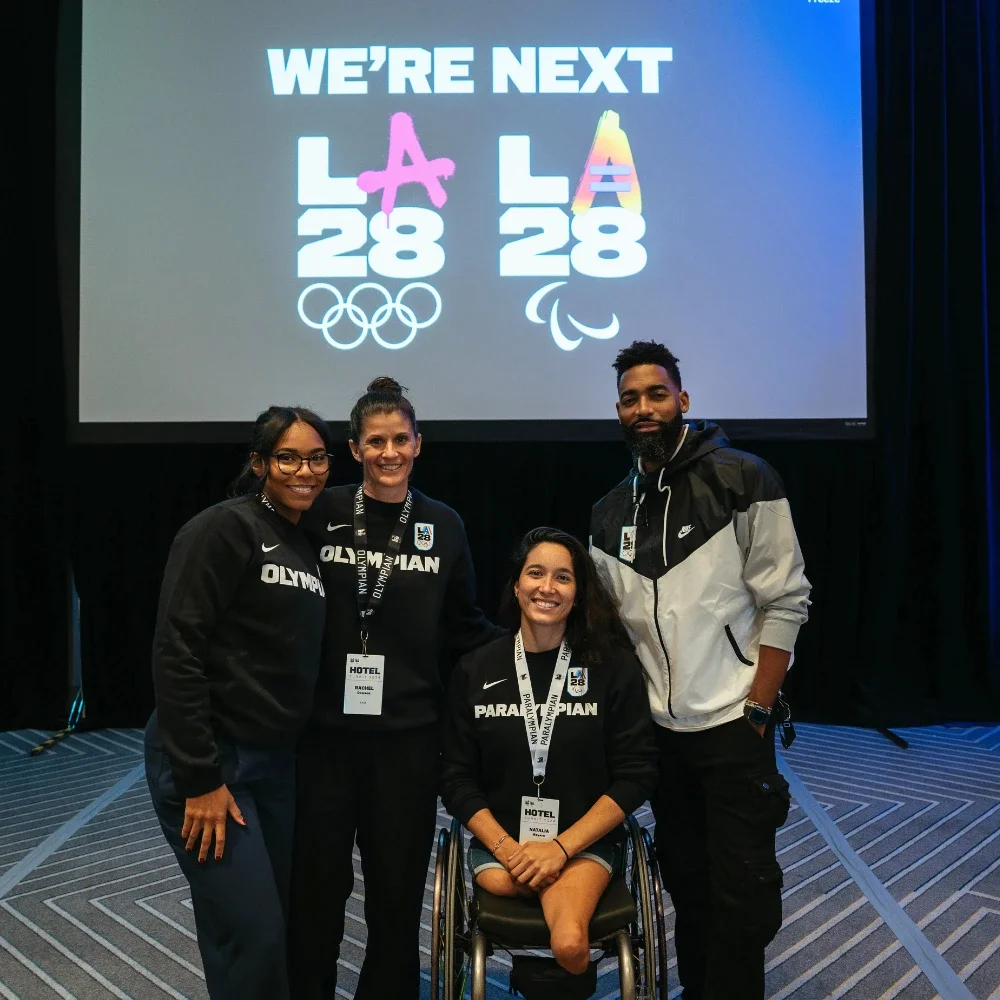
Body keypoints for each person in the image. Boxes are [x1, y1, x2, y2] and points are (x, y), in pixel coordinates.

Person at [589, 340, 812, 999]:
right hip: (662, 736)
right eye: (631, 399)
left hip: (734, 726)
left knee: (742, 891)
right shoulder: (607, 513)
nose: (644, 408)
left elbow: (787, 598)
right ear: (619, 412)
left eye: (657, 394)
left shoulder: (745, 478)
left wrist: (758, 707)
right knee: (687, 882)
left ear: (683, 400)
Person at [289, 376, 502, 1000]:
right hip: (323, 741)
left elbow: (464, 625)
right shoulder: (322, 513)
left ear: (419, 444)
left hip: (407, 745)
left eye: (400, 440)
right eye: (375, 441)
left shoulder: (444, 524)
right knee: (317, 893)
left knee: (395, 897)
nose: (389, 453)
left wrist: (534, 649)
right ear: (354, 449)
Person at [144, 406, 334, 1000]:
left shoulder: (302, 542)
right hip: (213, 763)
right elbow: (177, 651)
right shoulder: (221, 529)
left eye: (317, 457)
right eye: (287, 457)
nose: (305, 470)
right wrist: (200, 777)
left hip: (273, 765)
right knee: (253, 932)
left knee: (253, 927)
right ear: (259, 464)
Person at [441, 527, 659, 995]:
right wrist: (510, 850)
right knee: (499, 880)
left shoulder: (612, 667)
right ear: (516, 585)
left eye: (563, 578)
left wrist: (559, 849)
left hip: (584, 842)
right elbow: (456, 778)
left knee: (568, 944)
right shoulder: (475, 669)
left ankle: (565, 964)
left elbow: (636, 775)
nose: (547, 587)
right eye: (535, 573)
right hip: (503, 846)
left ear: (578, 594)